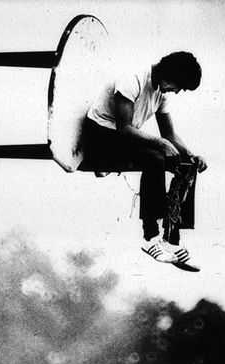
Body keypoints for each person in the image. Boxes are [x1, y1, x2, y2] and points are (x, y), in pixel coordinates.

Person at [83, 51, 207, 272]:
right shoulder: (133, 79)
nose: (177, 91)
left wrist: (191, 154)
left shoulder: (161, 92)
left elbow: (169, 135)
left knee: (186, 165)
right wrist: (160, 144)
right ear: (171, 75)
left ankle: (171, 239)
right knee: (155, 158)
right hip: (99, 138)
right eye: (179, 86)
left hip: (122, 139)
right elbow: (124, 128)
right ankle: (150, 237)